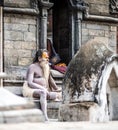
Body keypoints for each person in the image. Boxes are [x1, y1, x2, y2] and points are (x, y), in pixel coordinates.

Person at [22, 49, 61, 121]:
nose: (47, 59)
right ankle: (44, 116)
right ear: (39, 58)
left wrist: (57, 89)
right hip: (29, 89)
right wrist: (42, 88)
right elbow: (30, 83)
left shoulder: (46, 67)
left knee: (57, 95)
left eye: (48, 57)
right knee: (43, 92)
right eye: (45, 57)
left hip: (43, 90)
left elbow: (50, 80)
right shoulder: (32, 67)